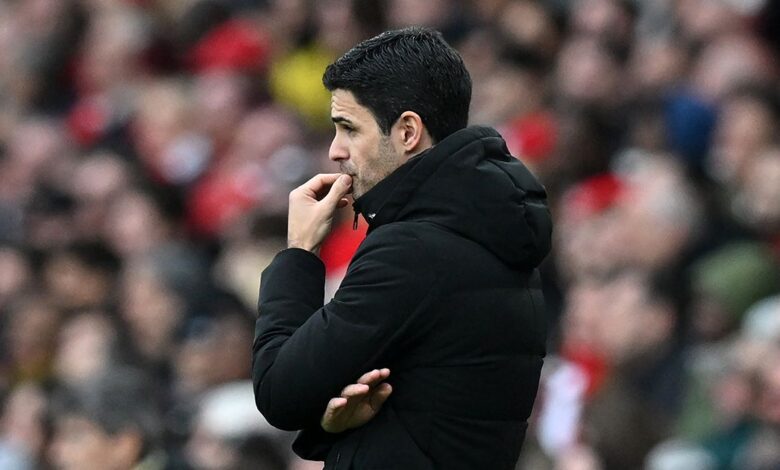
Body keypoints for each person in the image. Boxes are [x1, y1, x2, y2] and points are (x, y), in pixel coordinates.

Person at [252, 27, 552, 469]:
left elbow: (280, 391)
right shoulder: (488, 228)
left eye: (348, 128)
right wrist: (331, 426)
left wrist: (299, 253)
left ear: (408, 131)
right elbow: (425, 417)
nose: (335, 151)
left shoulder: (411, 250)